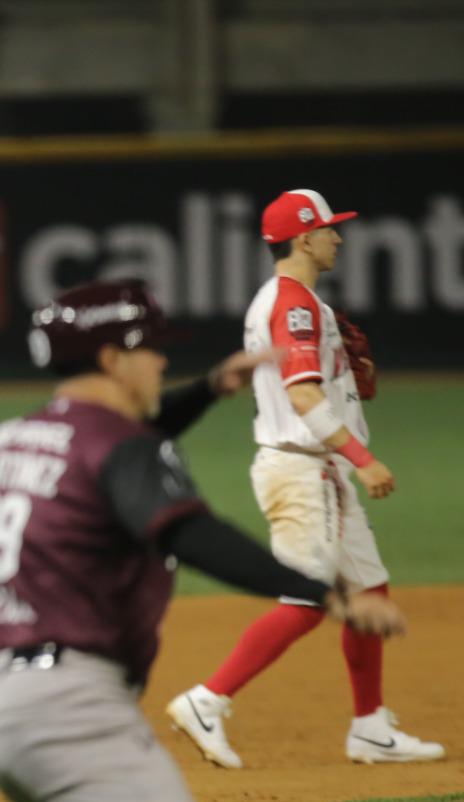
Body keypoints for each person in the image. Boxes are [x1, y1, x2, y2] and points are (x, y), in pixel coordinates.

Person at [0, 280, 405, 802]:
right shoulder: (122, 448)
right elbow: (188, 530)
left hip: (5, 704)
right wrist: (326, 592)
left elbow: (115, 445)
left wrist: (208, 390)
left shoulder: (22, 434)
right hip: (71, 707)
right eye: (151, 350)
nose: (162, 362)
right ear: (113, 357)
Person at [166, 189, 444, 769]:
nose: (337, 237)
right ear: (304, 237)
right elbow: (303, 394)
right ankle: (206, 700)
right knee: (308, 599)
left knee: (369, 590)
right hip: (301, 470)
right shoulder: (292, 303)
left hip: (317, 468)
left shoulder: (295, 300)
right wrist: (363, 459)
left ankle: (370, 727)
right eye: (328, 229)